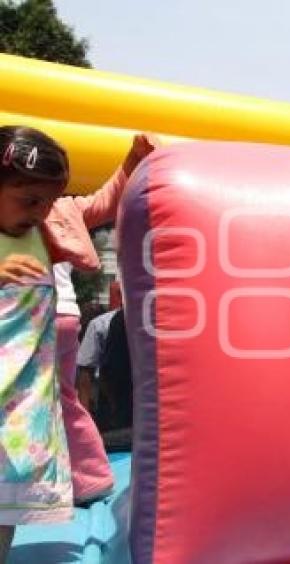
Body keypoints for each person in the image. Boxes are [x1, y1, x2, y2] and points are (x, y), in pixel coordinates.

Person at [52, 132, 158, 504]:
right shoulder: (58, 208)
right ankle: (90, 477)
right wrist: (129, 163)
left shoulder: (34, 210)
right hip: (60, 313)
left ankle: (80, 477)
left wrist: (131, 162)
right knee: (61, 399)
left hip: (40, 315)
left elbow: (104, 202)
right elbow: (106, 201)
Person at [0, 126, 73, 561]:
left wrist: (127, 172)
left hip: (22, 400)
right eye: (30, 201)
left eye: (48, 202)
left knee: (6, 501)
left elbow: (92, 207)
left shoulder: (39, 233)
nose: (42, 212)